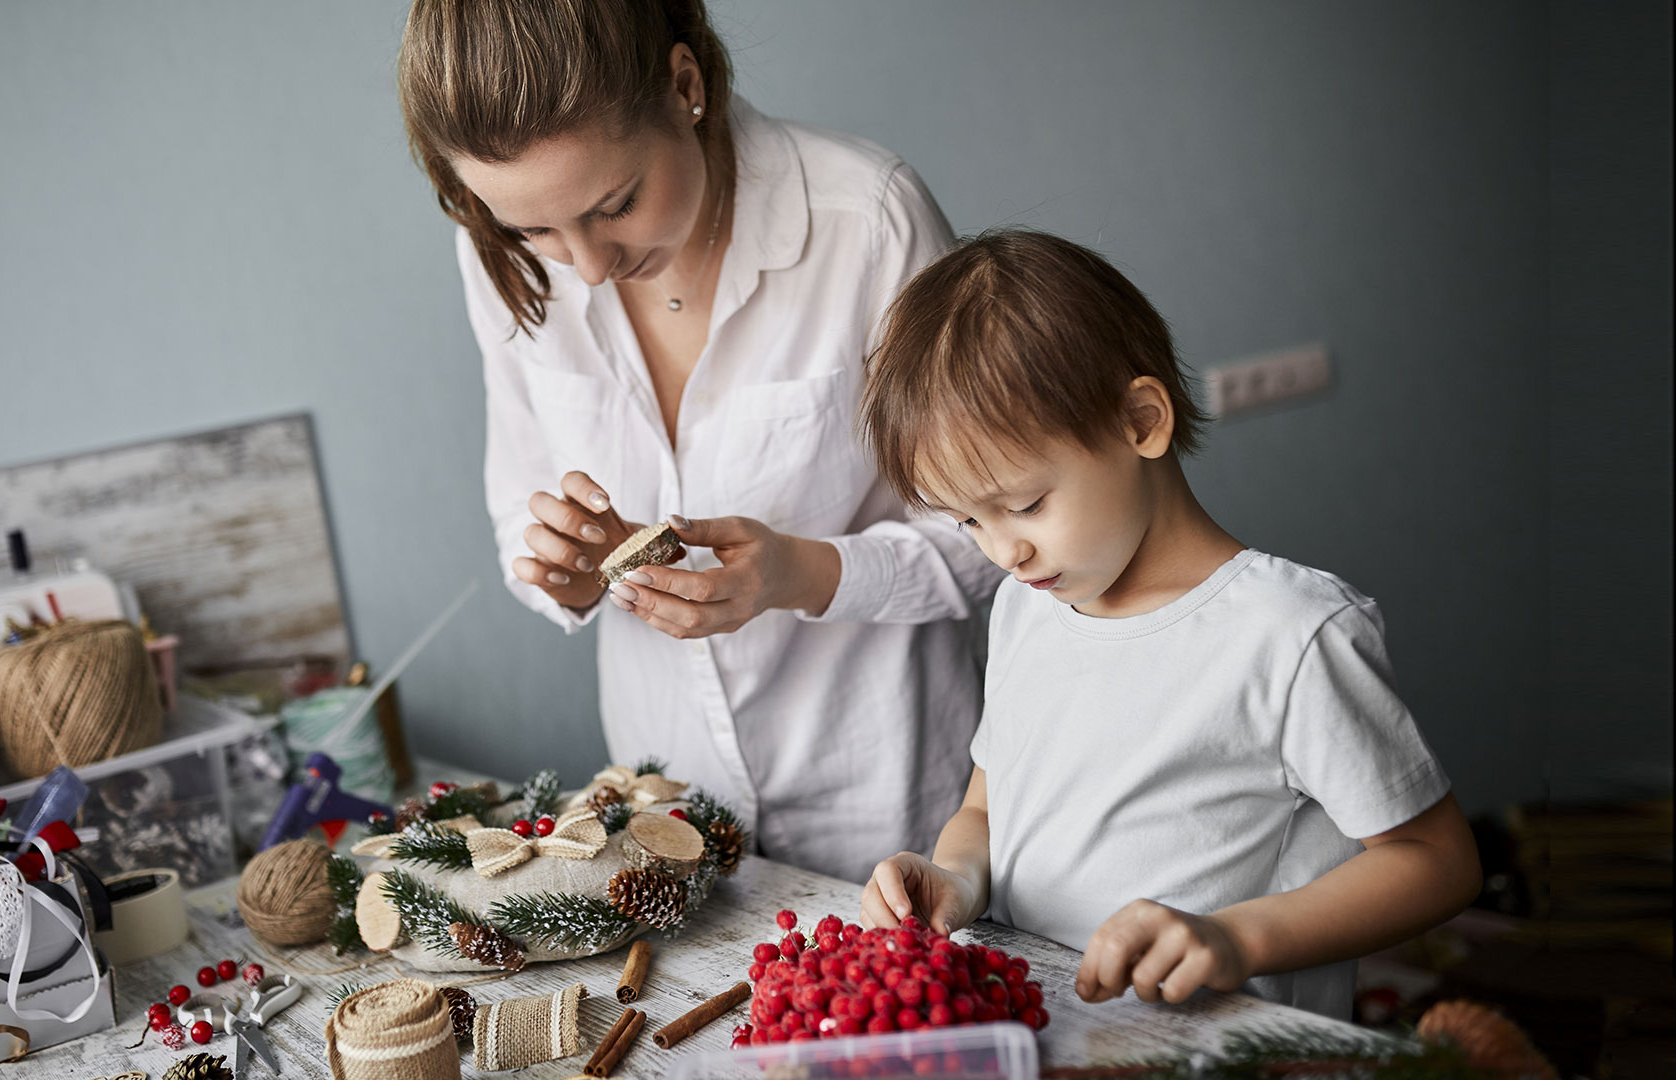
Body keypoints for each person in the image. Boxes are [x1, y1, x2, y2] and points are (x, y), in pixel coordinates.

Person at [397, 0, 1000, 881]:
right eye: (535, 229)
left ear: (685, 86)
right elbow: (512, 511)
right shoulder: (496, 252)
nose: (587, 268)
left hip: (892, 808)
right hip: (664, 816)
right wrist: (563, 572)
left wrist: (801, 574)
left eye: (616, 204)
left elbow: (999, 534)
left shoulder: (865, 221)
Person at [854, 229, 1480, 1018]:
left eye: (1024, 505)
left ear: (1142, 421)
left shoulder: (1291, 635)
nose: (1004, 551)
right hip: (1040, 1034)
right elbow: (986, 807)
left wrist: (1233, 939)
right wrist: (956, 879)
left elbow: (1439, 862)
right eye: (967, 523)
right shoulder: (1027, 606)